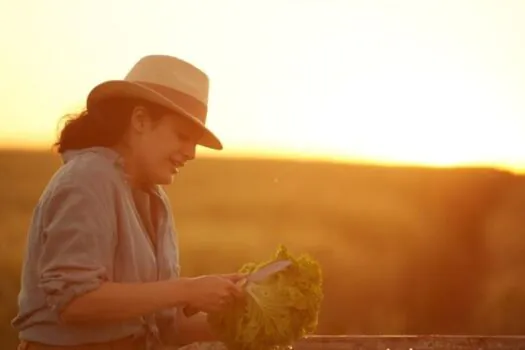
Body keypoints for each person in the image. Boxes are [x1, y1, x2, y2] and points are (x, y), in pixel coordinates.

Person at [12, 55, 246, 350]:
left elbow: (163, 328)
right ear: (140, 121)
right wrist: (187, 290)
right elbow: (74, 302)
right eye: (182, 136)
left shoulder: (154, 198)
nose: (191, 153)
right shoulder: (88, 178)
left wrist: (244, 313)